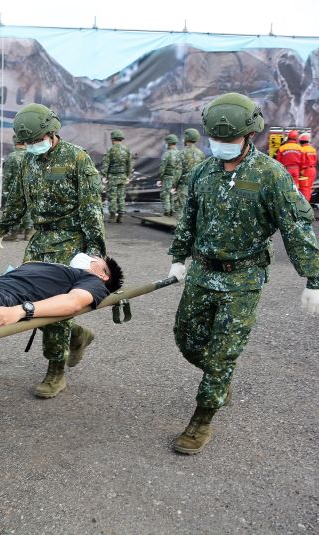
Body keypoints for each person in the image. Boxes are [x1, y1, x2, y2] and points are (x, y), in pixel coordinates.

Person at [167, 92, 319, 455]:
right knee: (186, 339)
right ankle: (219, 379)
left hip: (243, 280)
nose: (220, 145)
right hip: (203, 273)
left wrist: (314, 278)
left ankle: (201, 420)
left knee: (222, 354)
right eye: (215, 139)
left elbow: (297, 227)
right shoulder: (203, 171)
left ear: (250, 135)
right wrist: (178, 258)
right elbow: (188, 218)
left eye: (228, 139)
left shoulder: (270, 175)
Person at [0, 103, 106, 399]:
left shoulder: (78, 159)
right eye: (25, 142)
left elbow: (92, 210)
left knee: (54, 303)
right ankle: (77, 335)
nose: (31, 146)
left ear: (52, 131)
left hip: (69, 241)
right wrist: (1, 229)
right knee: (26, 296)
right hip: (39, 240)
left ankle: (56, 370)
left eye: (35, 140)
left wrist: (94, 252)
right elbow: (17, 201)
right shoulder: (27, 161)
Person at [2, 135, 32, 240]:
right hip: (29, 186)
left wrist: (4, 190)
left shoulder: (11, 157)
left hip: (14, 188)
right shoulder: (32, 155)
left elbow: (7, 176)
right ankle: (28, 233)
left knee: (15, 210)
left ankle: (14, 234)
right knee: (28, 209)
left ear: (15, 143)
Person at [173, 128, 206, 219]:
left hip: (183, 187)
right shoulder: (201, 154)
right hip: (196, 187)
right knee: (193, 209)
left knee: (181, 209)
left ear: (186, 138)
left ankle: (181, 230)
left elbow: (177, 172)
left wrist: (174, 184)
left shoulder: (181, 153)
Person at [101, 129, 132, 223]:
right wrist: (128, 175)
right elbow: (129, 164)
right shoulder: (126, 149)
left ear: (112, 139)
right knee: (121, 196)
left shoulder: (110, 149)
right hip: (123, 177)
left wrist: (104, 175)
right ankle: (121, 215)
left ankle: (112, 215)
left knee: (112, 196)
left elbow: (106, 164)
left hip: (113, 177)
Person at [159, 133, 183, 217]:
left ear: (168, 143)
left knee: (165, 195)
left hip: (167, 177)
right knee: (173, 195)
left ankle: (167, 212)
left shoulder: (167, 154)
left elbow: (162, 168)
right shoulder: (180, 153)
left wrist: (160, 178)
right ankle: (173, 212)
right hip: (177, 177)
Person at [275, 129, 303, 193]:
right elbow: (302, 161)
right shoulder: (300, 148)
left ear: (288, 137)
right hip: (296, 170)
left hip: (286, 170)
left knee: (285, 187)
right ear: (296, 138)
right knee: (295, 188)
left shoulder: (282, 148)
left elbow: (278, 162)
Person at [298, 132, 316, 201]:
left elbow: (302, 162)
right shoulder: (313, 149)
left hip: (305, 171)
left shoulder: (302, 150)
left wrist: (300, 171)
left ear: (301, 142)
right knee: (309, 188)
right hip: (313, 170)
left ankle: (305, 205)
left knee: (304, 188)